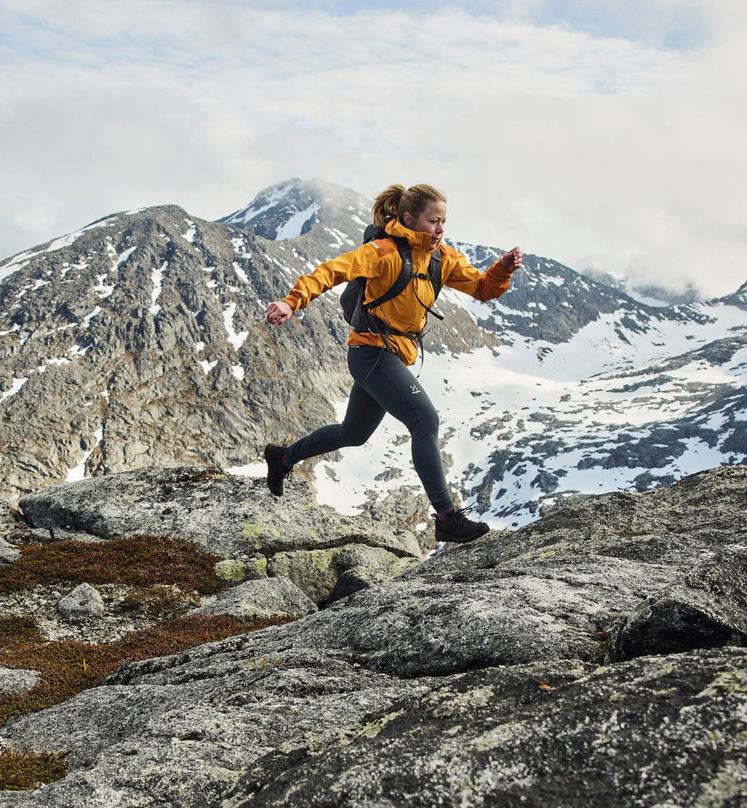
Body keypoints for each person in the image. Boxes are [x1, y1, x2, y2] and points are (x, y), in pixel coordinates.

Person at [264, 183, 523, 543]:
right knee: (425, 419)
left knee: (352, 433)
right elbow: (329, 272)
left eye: (443, 221)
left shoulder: (441, 258)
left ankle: (282, 458)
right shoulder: (381, 252)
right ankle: (447, 517)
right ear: (407, 219)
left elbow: (482, 288)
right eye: (433, 221)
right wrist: (293, 301)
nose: (440, 229)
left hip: (392, 354)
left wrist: (501, 270)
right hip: (370, 352)